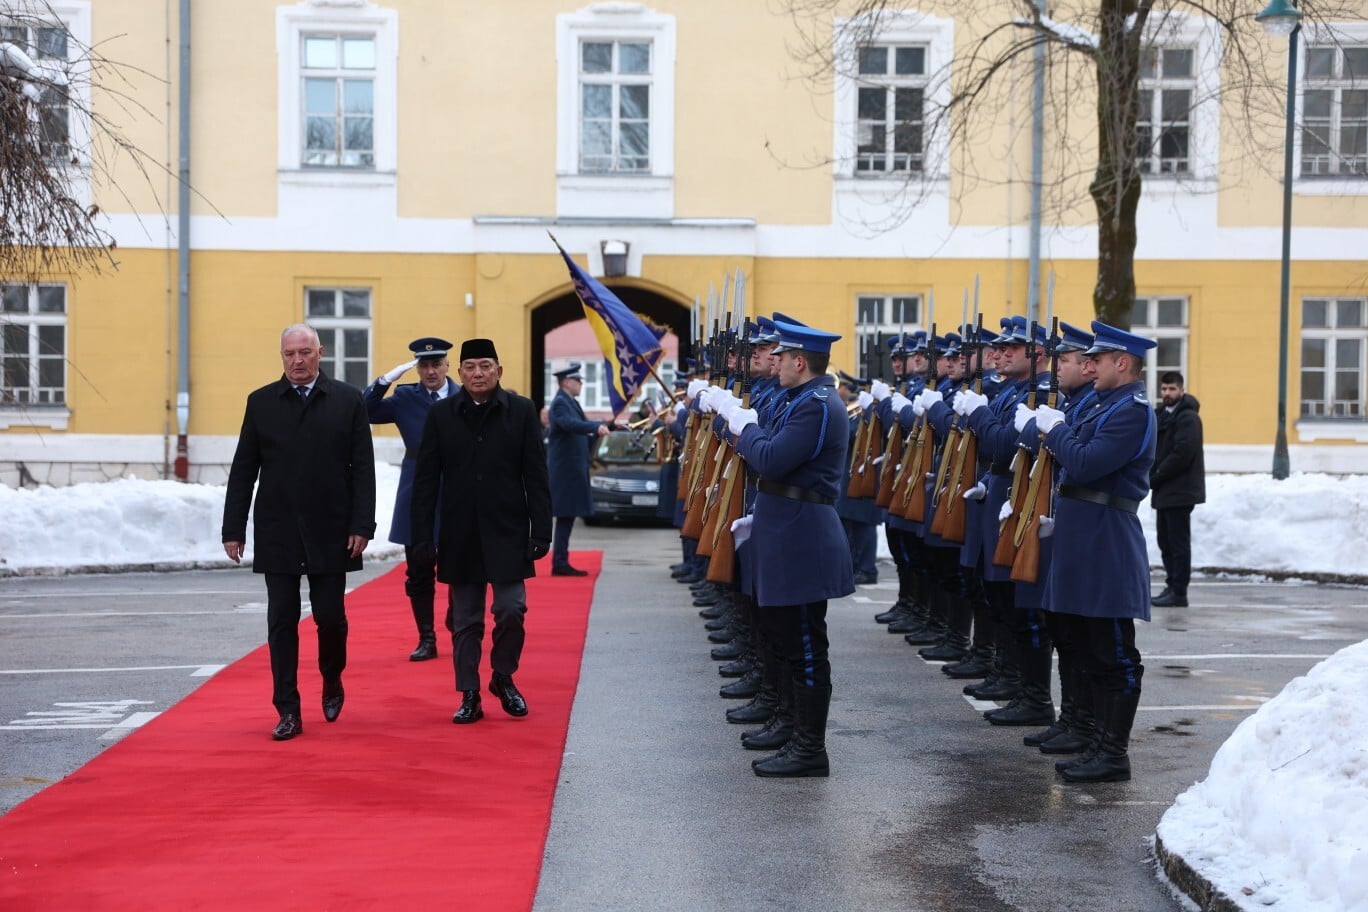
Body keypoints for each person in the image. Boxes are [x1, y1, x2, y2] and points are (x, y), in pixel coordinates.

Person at [713, 316, 855, 778]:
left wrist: (742, 424)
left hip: (802, 533)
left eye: (781, 356)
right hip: (785, 527)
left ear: (800, 360)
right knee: (784, 636)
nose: (773, 361)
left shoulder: (817, 403)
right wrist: (741, 425)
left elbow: (772, 458)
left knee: (805, 645)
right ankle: (793, 730)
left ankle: (810, 747)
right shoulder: (798, 399)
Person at [222, 323, 376, 742]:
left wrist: (363, 525)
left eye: (305, 352)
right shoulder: (261, 403)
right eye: (290, 354)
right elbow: (243, 470)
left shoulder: (347, 400)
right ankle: (288, 709)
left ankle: (331, 678)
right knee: (281, 622)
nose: (298, 361)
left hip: (332, 529)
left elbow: (363, 467)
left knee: (331, 619)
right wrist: (233, 528)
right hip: (279, 529)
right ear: (282, 357)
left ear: (320, 353)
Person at [1031, 321, 1157, 783]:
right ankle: (1089, 733)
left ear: (1121, 363)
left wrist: (1057, 430)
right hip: (1081, 535)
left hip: (1107, 539)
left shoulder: (1132, 410)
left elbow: (1085, 462)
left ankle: (1112, 751)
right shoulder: (1106, 404)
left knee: (1112, 650)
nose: (1088, 366)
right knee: (1079, 641)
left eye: (1096, 360)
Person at [410, 338, 553, 725]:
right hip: (460, 533)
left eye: (485, 365)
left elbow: (536, 475)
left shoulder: (520, 411)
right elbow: (426, 481)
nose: (477, 373)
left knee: (511, 609)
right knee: (467, 619)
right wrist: (421, 535)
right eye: (470, 366)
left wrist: (542, 531)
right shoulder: (442, 416)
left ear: (499, 370)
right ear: (459, 374)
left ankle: (503, 676)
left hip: (508, 530)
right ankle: (469, 692)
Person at [363, 336, 460, 661]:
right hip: (417, 486)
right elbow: (366, 410)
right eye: (424, 365)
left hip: (456, 486)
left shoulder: (465, 396)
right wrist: (384, 381)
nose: (430, 370)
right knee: (419, 566)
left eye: (436, 364)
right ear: (418, 368)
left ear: (448, 365)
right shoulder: (405, 397)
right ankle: (427, 637)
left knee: (460, 563)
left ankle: (457, 618)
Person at [546, 363, 611, 576]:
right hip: (566, 472)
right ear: (566, 382)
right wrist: (595, 427)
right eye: (578, 380)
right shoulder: (560, 404)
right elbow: (570, 424)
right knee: (565, 516)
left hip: (571, 471)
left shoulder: (569, 402)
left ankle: (561, 560)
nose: (581, 383)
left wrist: (610, 424)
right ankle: (560, 562)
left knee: (568, 516)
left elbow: (583, 423)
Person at [1150, 371, 1205, 608]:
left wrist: (1157, 474)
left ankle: (1179, 591)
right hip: (1164, 489)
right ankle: (1171, 585)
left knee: (1178, 543)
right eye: (1164, 389)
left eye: (1172, 389)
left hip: (1180, 489)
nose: (1167, 394)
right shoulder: (1161, 415)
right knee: (1165, 541)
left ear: (1181, 390)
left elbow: (1182, 454)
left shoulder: (1188, 418)